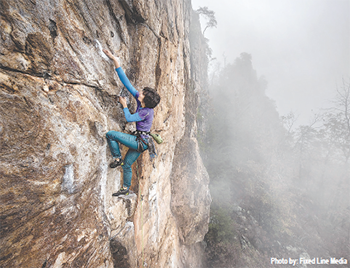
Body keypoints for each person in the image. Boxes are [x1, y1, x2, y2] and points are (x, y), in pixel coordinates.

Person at [103, 49, 161, 196]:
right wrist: (114, 59)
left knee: (111, 135)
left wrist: (124, 104)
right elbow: (126, 82)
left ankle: (116, 158)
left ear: (144, 100)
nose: (139, 92)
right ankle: (125, 189)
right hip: (143, 141)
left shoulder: (145, 111)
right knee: (127, 165)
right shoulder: (141, 101)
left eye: (142, 93)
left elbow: (129, 118)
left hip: (140, 141)